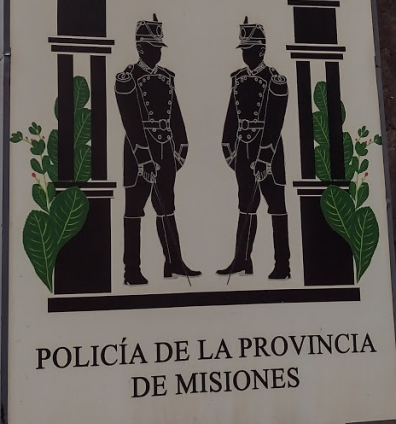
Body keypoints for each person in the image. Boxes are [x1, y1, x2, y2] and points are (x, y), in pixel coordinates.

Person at [114, 15, 200, 285]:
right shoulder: (128, 78)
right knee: (134, 210)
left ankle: (173, 263)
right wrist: (144, 159)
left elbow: (176, 116)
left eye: (160, 47)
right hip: (139, 153)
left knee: (167, 208)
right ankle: (132, 270)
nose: (158, 52)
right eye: (153, 47)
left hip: (165, 149)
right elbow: (130, 122)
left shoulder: (166, 77)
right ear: (140, 48)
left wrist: (180, 150)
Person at [217, 18, 291, 280]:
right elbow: (231, 117)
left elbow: (275, 123)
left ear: (261, 50)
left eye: (249, 50)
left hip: (268, 150)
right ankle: (242, 260)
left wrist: (264, 158)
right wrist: (230, 150)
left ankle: (282, 265)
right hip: (244, 150)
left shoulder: (275, 81)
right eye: (243, 50)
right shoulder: (238, 79)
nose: (245, 55)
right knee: (245, 206)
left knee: (276, 206)